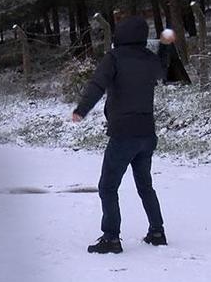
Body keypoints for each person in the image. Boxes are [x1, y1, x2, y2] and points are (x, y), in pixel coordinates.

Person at [71, 16, 174, 254]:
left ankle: (111, 238)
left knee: (107, 187)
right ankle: (157, 231)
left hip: (123, 134)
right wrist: (166, 46)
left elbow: (97, 85)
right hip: (147, 133)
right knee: (145, 185)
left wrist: (81, 110)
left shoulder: (114, 58)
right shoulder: (150, 59)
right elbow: (165, 71)